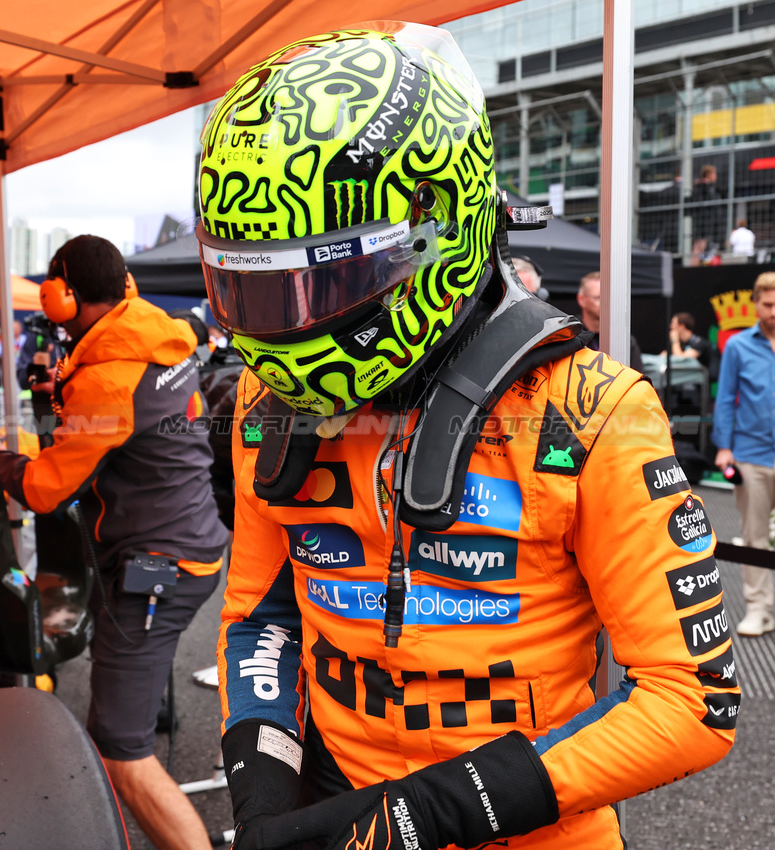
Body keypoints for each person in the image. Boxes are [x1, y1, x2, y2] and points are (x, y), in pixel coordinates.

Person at [198, 24, 736, 850]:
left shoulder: (594, 409)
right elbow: (256, 617)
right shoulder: (263, 405)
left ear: (437, 226)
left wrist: (418, 814)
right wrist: (264, 797)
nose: (287, 328)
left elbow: (690, 699)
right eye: (256, 293)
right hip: (333, 804)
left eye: (326, 281)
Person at [0, 235, 229, 850]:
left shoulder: (108, 375)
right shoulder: (155, 331)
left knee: (120, 750)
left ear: (63, 294)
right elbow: (102, 445)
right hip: (184, 545)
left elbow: (48, 489)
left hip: (158, 565)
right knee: (121, 732)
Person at [713, 271, 775, 637]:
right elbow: (725, 397)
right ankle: (758, 607)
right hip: (751, 454)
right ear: (756, 303)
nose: (773, 311)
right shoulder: (738, 346)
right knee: (754, 537)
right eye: (768, 304)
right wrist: (724, 447)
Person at [577, 270, 643, 372]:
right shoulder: (572, 336)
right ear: (581, 299)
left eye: (609, 298)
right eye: (598, 297)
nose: (605, 303)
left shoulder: (624, 340)